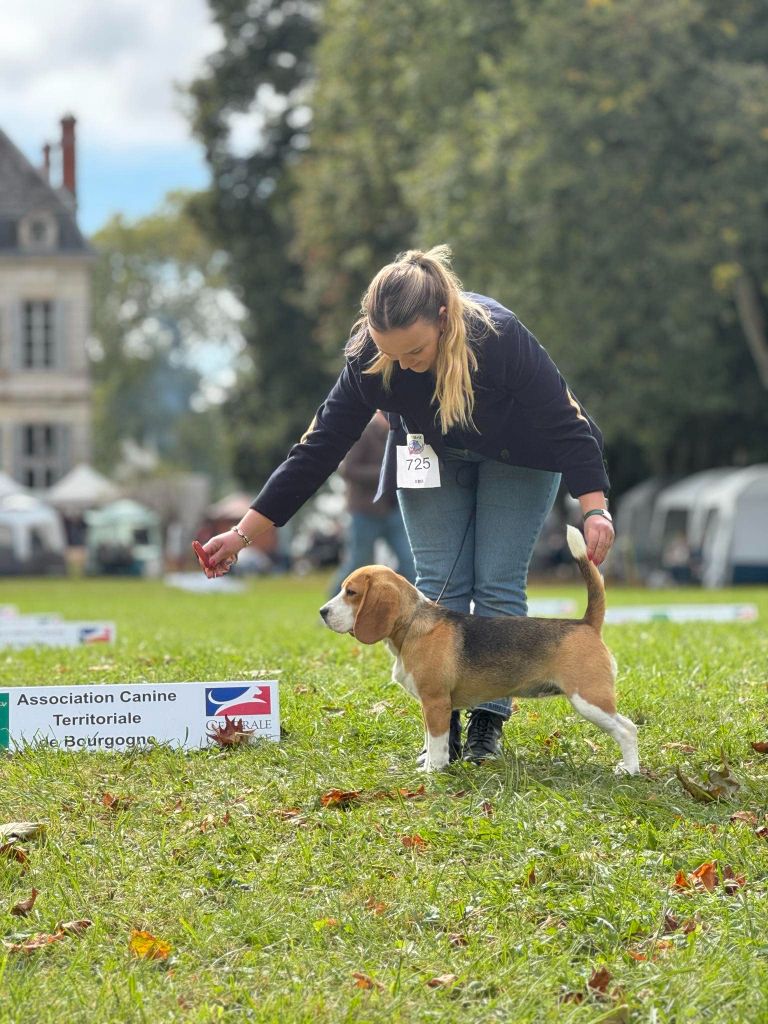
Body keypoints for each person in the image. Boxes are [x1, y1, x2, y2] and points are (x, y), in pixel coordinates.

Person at [199, 246, 615, 764]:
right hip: (427, 454)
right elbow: (318, 448)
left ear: (444, 319)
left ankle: (488, 726)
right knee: (440, 582)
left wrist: (594, 507)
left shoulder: (498, 336)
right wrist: (241, 534)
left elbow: (564, 419)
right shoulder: (369, 359)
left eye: (414, 352)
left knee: (497, 581)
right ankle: (445, 729)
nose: (402, 365)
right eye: (388, 353)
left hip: (520, 456)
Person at [329, 410, 416, 597]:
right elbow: (348, 469)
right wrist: (385, 473)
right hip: (365, 512)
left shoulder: (399, 432)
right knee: (357, 563)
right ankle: (332, 604)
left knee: (410, 561)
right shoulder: (364, 433)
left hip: (393, 510)